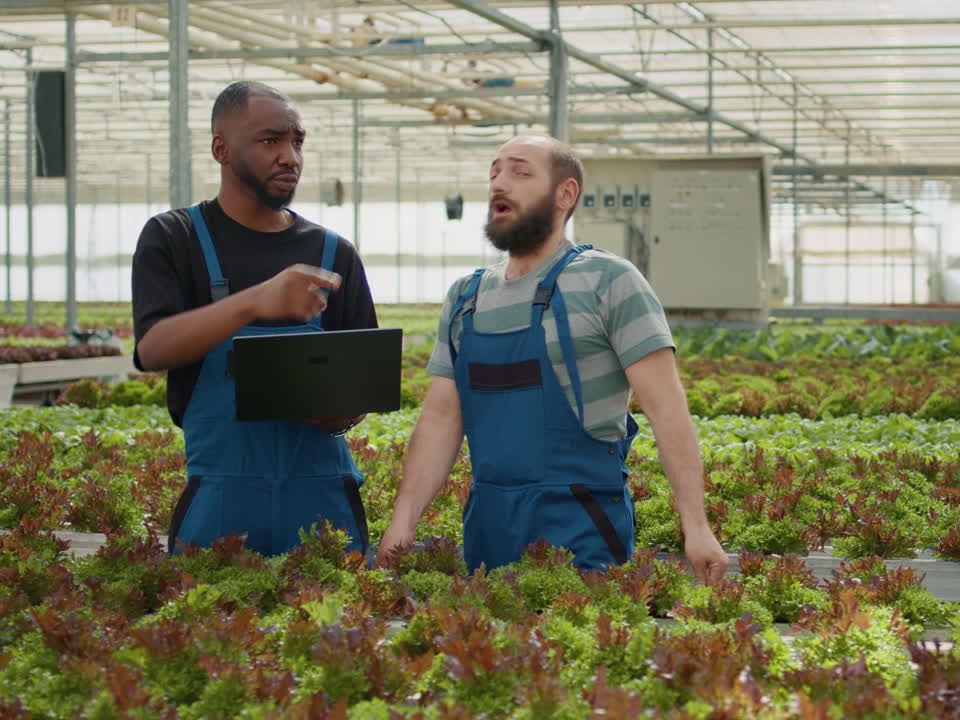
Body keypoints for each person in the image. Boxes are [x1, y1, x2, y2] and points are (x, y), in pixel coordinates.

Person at [376, 135, 729, 585]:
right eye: (494, 172)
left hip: (582, 523)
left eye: (521, 172)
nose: (500, 183)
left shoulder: (609, 280)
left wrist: (695, 527)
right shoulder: (466, 297)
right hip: (488, 525)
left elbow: (668, 411)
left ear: (566, 194)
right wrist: (403, 521)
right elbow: (442, 418)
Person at [131, 81, 378, 558]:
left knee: (336, 626)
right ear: (221, 149)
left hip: (322, 496)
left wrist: (338, 413)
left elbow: (363, 379)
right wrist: (253, 302)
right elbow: (153, 349)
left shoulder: (333, 253)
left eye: (297, 141)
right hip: (221, 502)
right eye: (270, 141)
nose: (290, 156)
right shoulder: (175, 238)